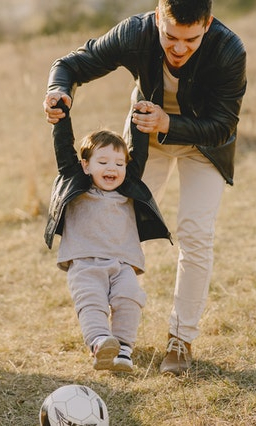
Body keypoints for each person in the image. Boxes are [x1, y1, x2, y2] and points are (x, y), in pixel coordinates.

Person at [43, 0, 247, 375]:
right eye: (170, 36)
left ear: (208, 24)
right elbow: (70, 64)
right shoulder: (135, 33)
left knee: (195, 233)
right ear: (157, 18)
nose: (179, 48)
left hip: (204, 146)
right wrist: (59, 91)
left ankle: (180, 339)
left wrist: (169, 121)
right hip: (143, 141)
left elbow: (223, 125)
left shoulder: (229, 50)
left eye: (191, 39)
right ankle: (106, 333)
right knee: (118, 221)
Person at [45, 100, 171, 372]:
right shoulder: (76, 182)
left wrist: (141, 113)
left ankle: (124, 349)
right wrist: (60, 116)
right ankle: (101, 343)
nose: (111, 168)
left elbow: (139, 150)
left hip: (123, 262)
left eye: (118, 163)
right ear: (86, 165)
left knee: (129, 299)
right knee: (92, 302)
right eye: (102, 162)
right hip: (85, 262)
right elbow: (63, 148)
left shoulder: (128, 188)